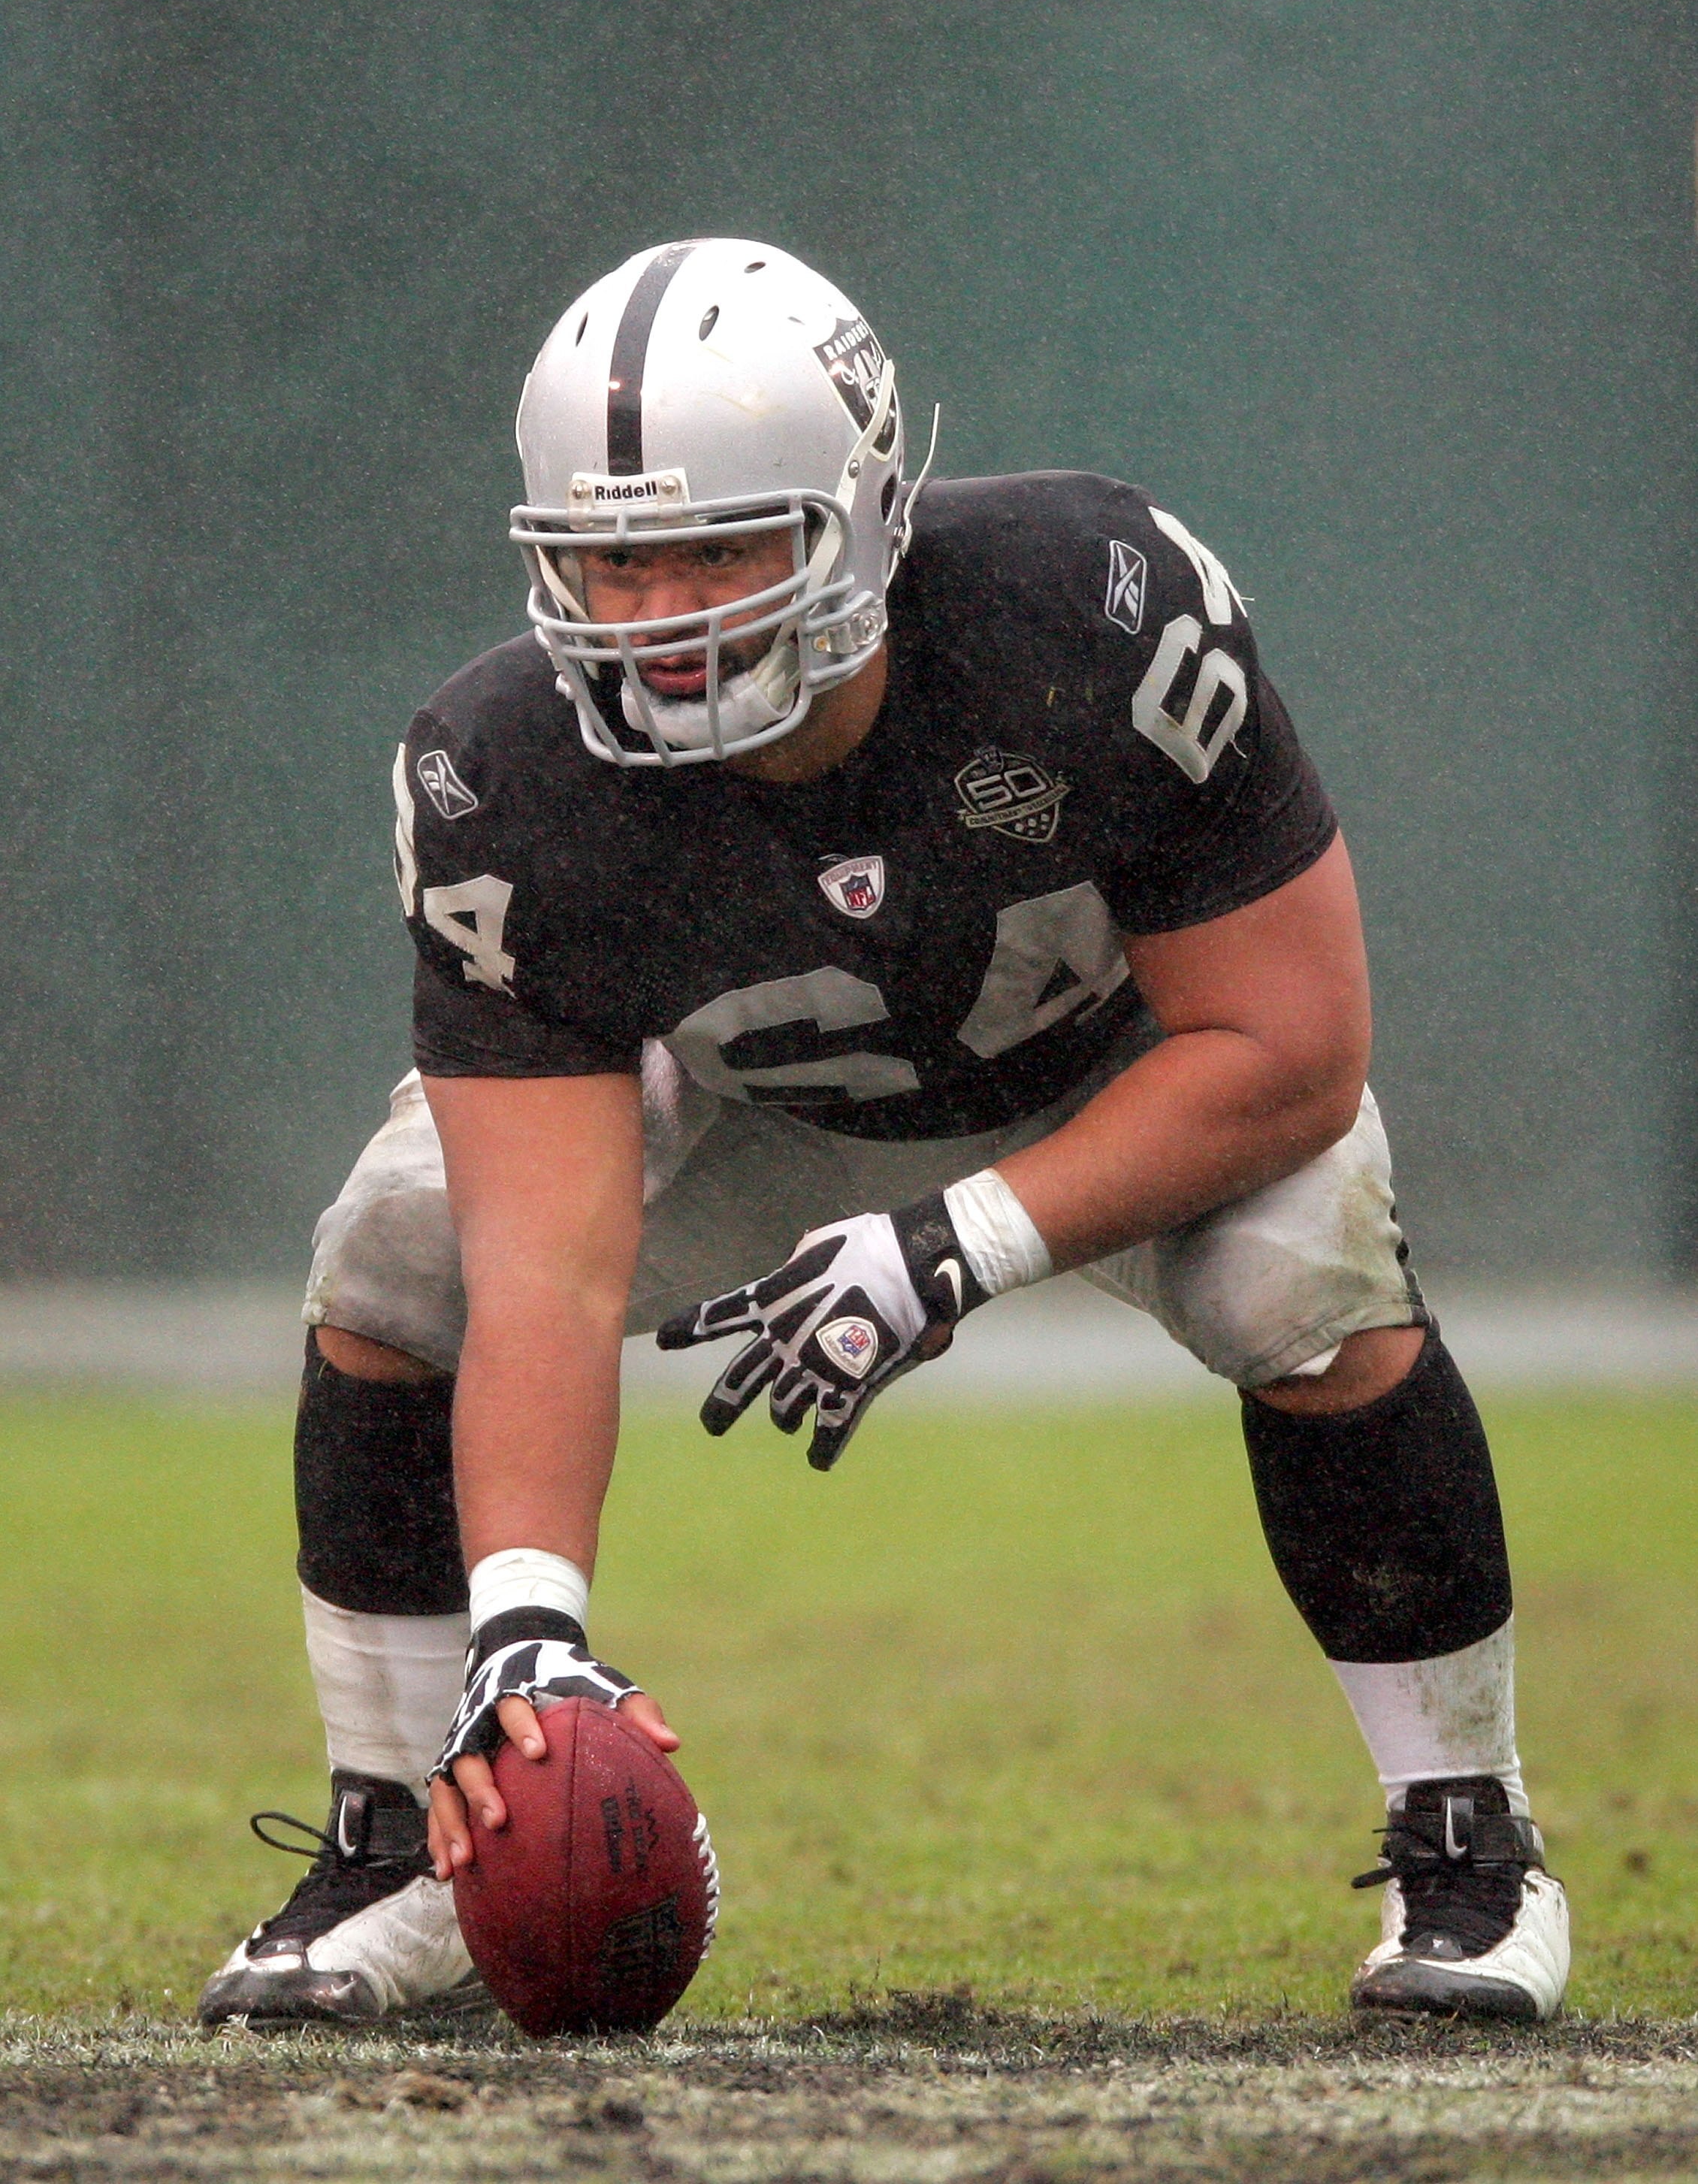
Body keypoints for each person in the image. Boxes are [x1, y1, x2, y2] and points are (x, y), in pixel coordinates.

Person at [198, 237, 1569, 2028]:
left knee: (1290, 1267)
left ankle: (1467, 1838)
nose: (659, 612)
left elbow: (1292, 1050)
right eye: (612, 560)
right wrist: (528, 1614)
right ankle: (405, 1839)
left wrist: (961, 1245)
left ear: (865, 513)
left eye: (721, 544)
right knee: (400, 1255)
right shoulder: (498, 769)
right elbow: (539, 1260)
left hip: (1118, 1079)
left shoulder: (1086, 606)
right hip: (760, 1113)